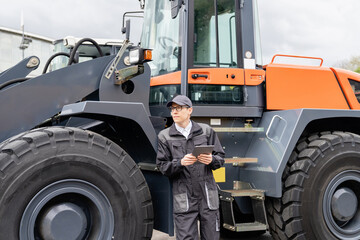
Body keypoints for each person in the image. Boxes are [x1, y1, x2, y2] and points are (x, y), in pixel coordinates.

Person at [156, 95, 225, 240]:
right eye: (172, 109)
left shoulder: (206, 131)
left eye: (179, 108)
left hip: (207, 191)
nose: (174, 112)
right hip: (184, 193)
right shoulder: (165, 136)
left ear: (190, 111)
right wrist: (180, 163)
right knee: (186, 237)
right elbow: (162, 166)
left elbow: (220, 158)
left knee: (212, 236)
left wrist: (212, 159)